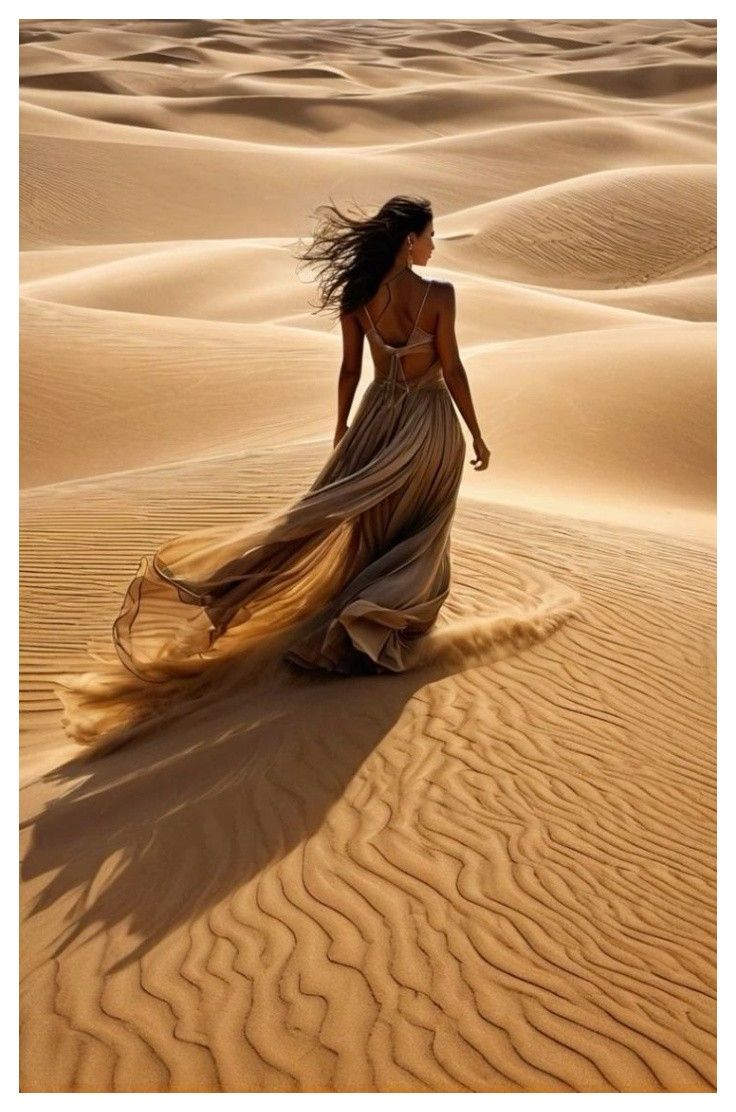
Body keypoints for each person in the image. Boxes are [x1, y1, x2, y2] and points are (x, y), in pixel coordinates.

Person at [53, 194, 491, 750]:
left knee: (361, 530)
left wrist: (343, 432)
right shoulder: (439, 295)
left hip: (377, 420)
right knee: (422, 534)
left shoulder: (358, 298)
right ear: (410, 240)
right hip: (429, 426)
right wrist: (475, 431)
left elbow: (350, 370)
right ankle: (368, 625)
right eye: (430, 234)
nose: (433, 244)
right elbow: (450, 366)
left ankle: (247, 596)